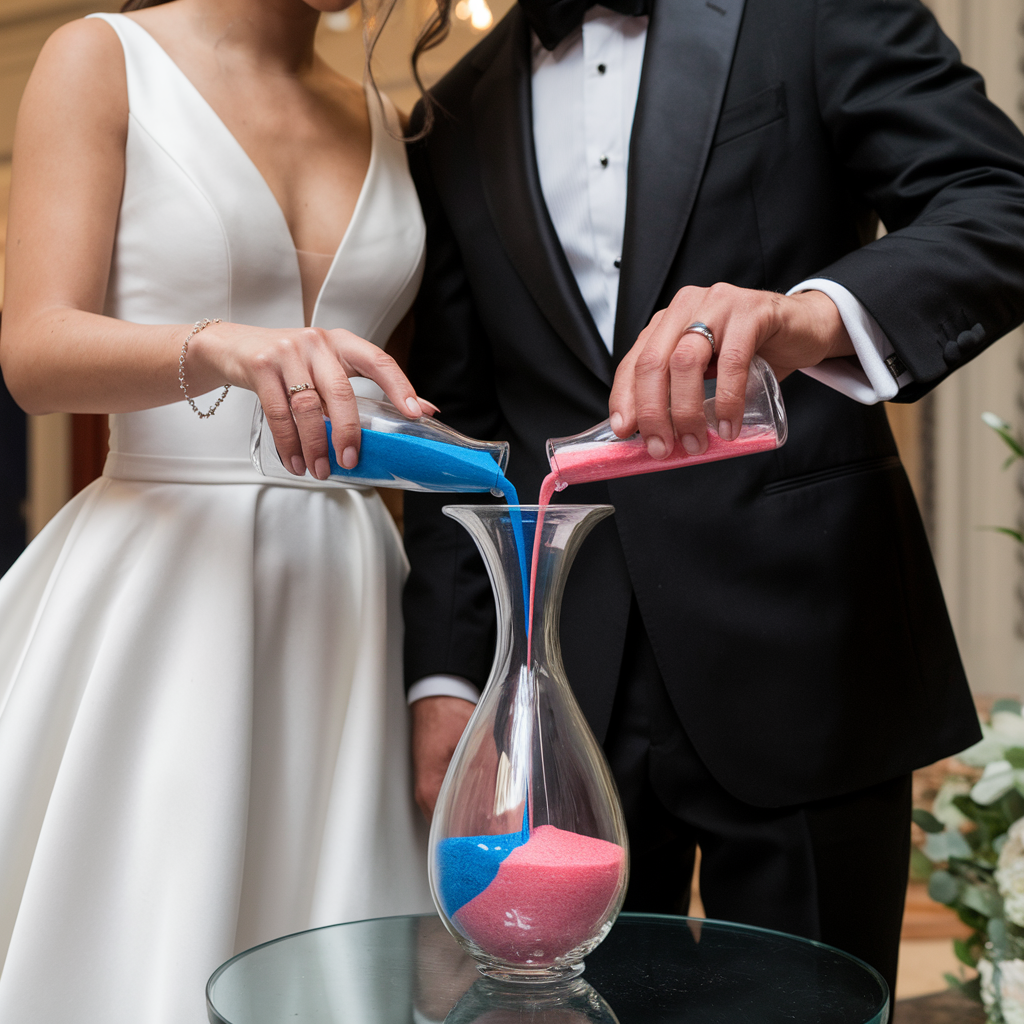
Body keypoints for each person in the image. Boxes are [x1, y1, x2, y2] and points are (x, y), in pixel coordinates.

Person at [401, 0, 1024, 997]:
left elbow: (997, 198)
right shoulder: (452, 112)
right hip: (562, 679)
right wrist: (443, 680)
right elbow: (461, 424)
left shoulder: (816, 12)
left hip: (804, 643)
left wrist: (806, 316)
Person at [0, 0, 444, 1016]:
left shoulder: (380, 111)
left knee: (337, 950)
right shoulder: (100, 58)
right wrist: (218, 347)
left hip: (353, 591)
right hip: (163, 577)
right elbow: (32, 354)